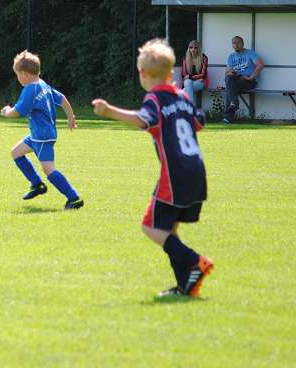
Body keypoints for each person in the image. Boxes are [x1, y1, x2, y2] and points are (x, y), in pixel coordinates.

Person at [91, 38, 213, 299]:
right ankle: (185, 286)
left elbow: (142, 119)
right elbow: (199, 123)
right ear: (171, 73)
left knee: (150, 226)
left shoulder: (155, 99)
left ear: (143, 73)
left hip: (175, 174)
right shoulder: (183, 96)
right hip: (197, 171)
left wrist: (109, 110)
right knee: (169, 230)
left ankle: (195, 261)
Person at [0, 50, 83, 210]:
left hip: (42, 136)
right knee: (16, 152)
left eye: (17, 75)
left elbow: (18, 111)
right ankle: (37, 184)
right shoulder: (43, 85)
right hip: (39, 134)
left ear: (24, 74)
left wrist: (7, 112)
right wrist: (70, 116)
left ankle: (74, 198)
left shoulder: (30, 89)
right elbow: (62, 98)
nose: (18, 78)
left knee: (49, 170)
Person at [222, 36, 264, 123]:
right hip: (235, 80)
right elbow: (227, 72)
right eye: (234, 43)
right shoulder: (231, 56)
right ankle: (233, 105)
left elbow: (260, 65)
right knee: (229, 80)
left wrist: (250, 77)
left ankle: (229, 115)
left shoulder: (250, 53)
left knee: (230, 88)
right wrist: (231, 73)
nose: (236, 45)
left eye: (238, 43)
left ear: (243, 44)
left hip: (248, 81)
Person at [180, 40, 209, 105]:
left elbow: (203, 74)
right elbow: (183, 74)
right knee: (188, 83)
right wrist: (189, 77)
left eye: (195, 47)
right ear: (189, 48)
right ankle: (192, 107)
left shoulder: (204, 58)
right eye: (191, 47)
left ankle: (190, 107)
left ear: (199, 49)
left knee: (187, 88)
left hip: (201, 81)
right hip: (189, 82)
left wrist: (189, 76)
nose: (193, 49)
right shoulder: (185, 58)